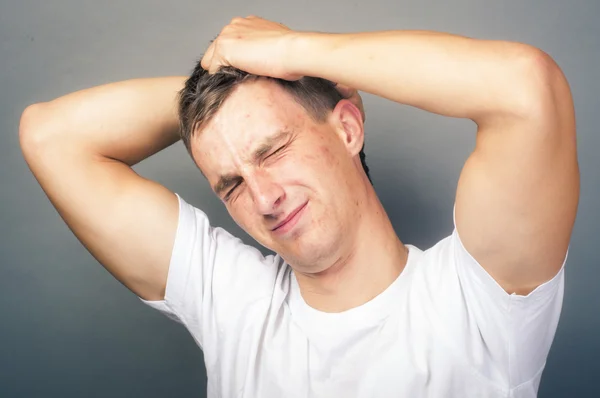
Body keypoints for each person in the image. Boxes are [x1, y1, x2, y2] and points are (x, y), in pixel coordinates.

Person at [19, 15, 579, 398]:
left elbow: (526, 89)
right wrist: (225, 93)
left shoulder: (479, 301)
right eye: (232, 184)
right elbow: (50, 136)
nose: (264, 198)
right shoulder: (234, 304)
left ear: (349, 127)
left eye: (275, 149)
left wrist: (291, 55)